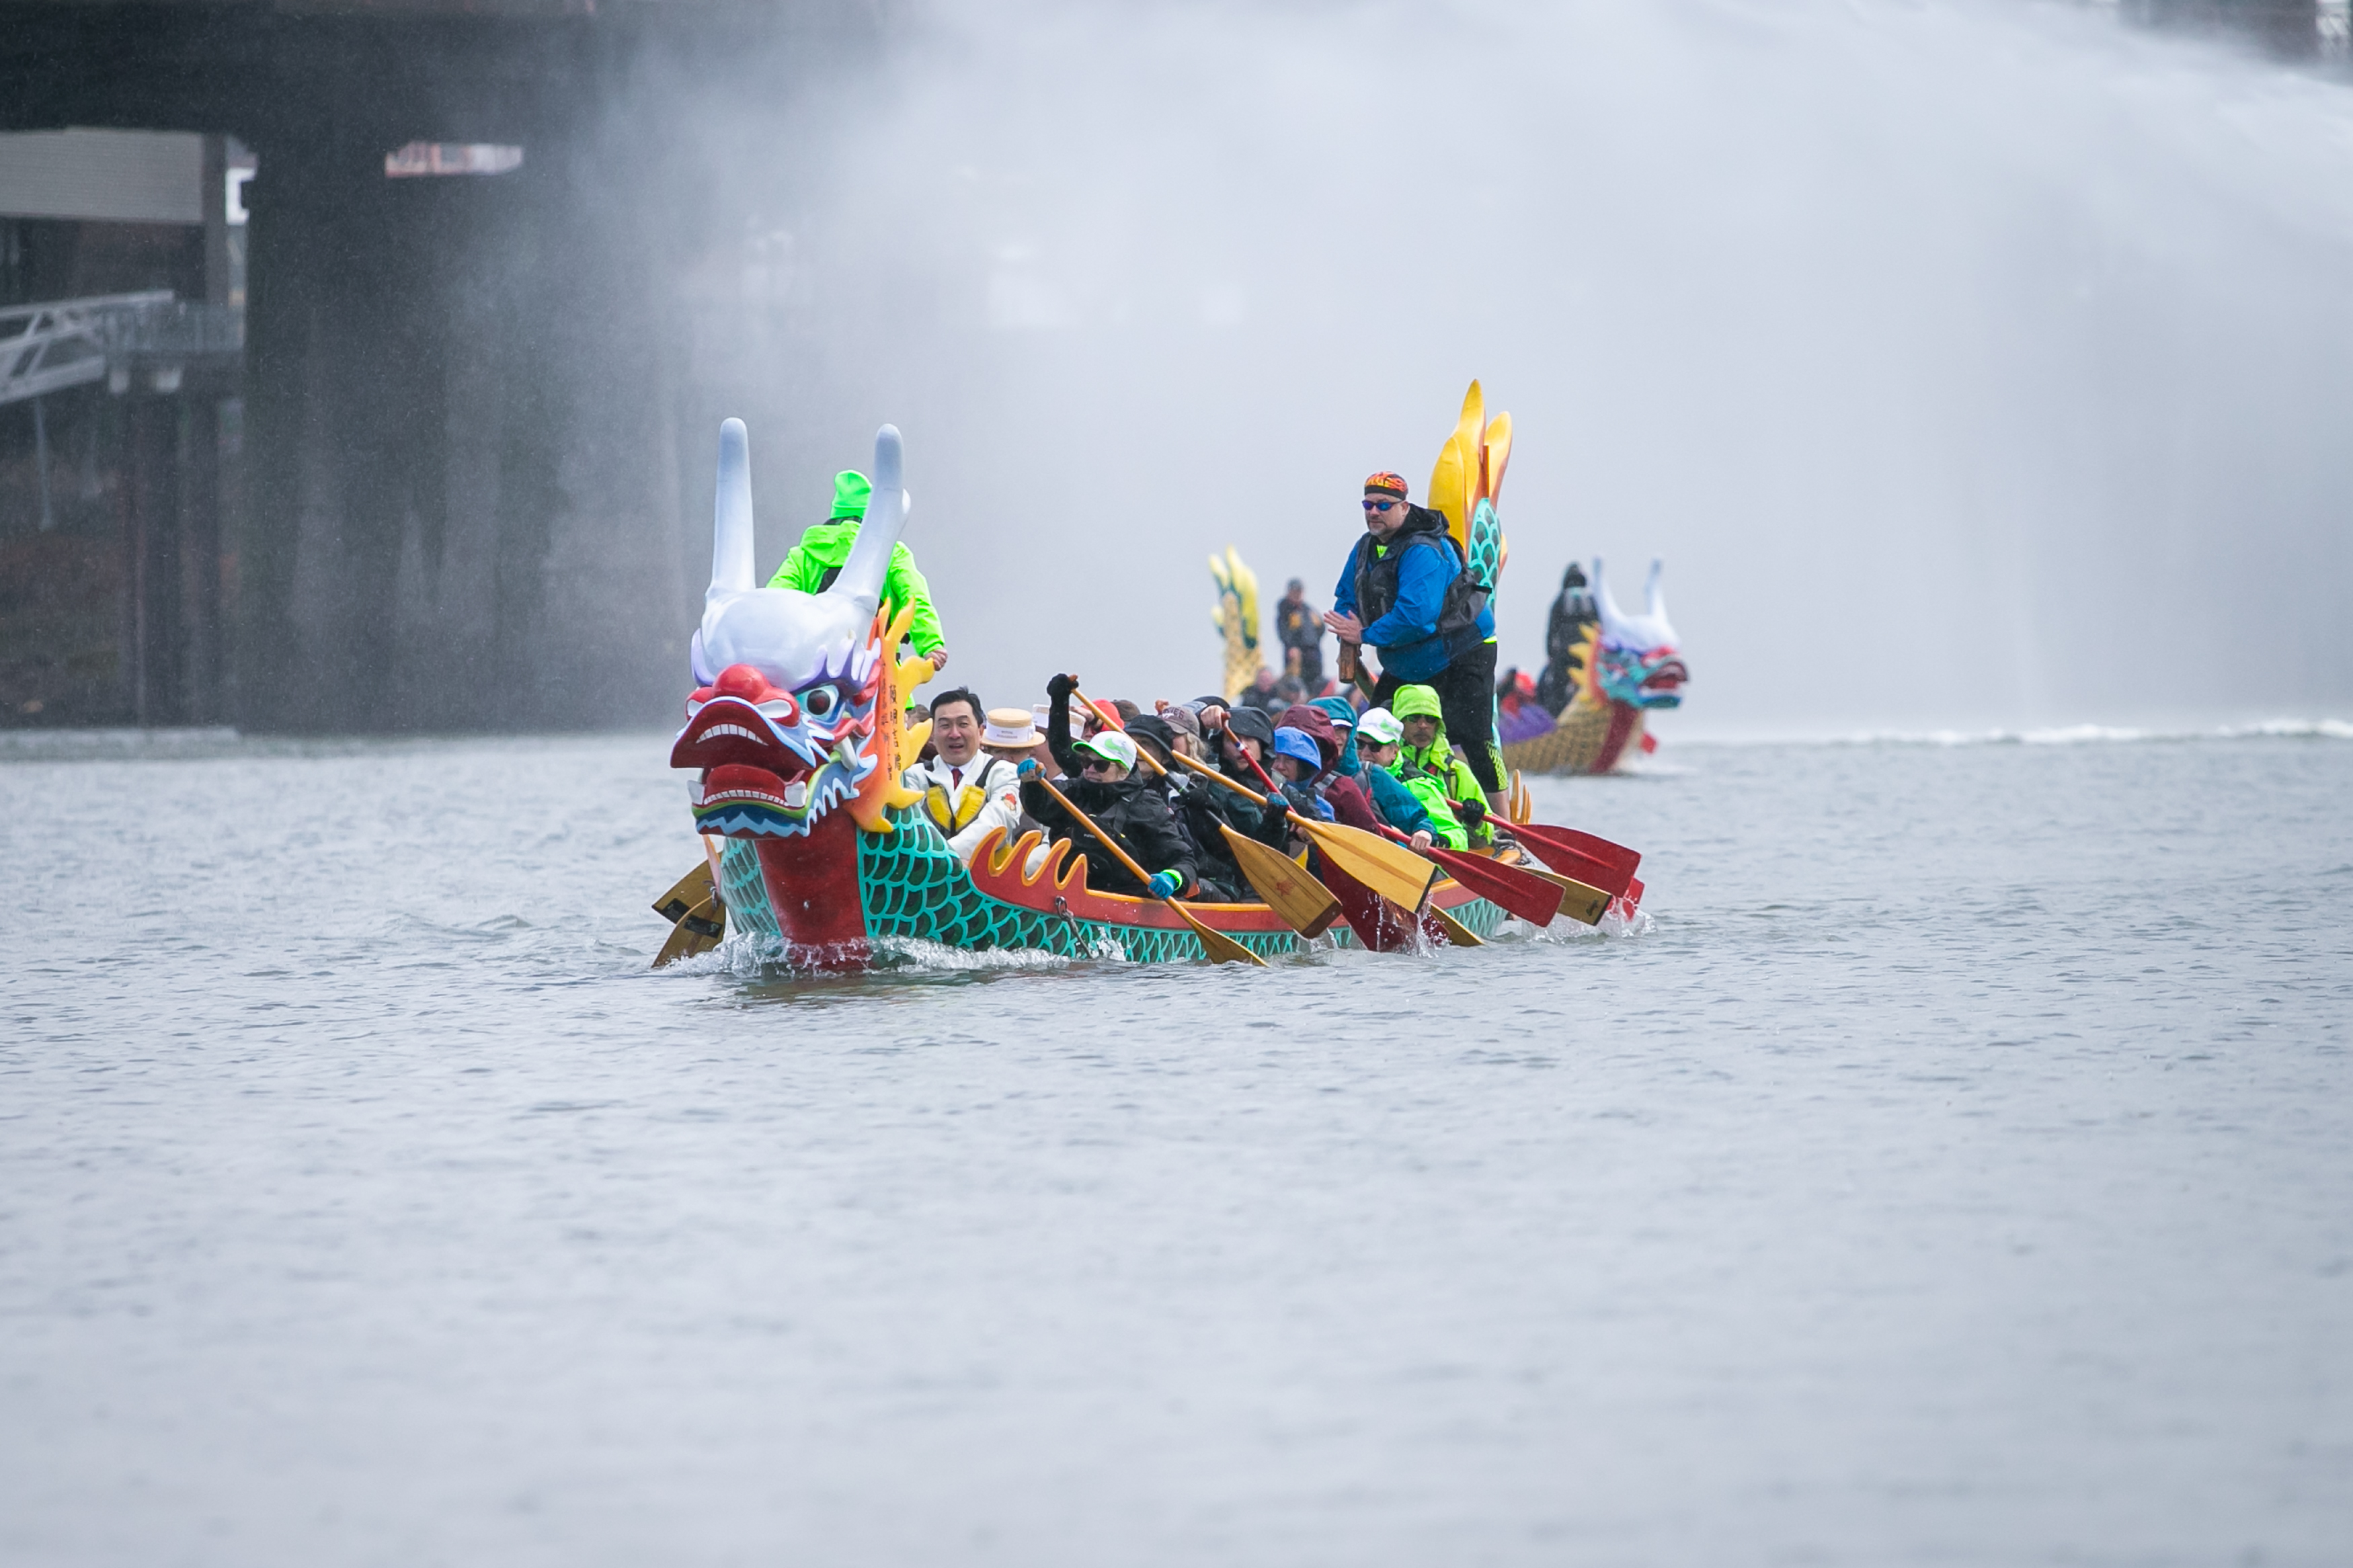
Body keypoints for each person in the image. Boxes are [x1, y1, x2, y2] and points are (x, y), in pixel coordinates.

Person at [1321, 470, 1505, 811]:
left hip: (1463, 650)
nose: (1374, 512)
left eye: (1384, 505)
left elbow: (1417, 618)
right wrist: (1349, 633)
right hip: (1411, 657)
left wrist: (1363, 635)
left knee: (1474, 736)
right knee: (1374, 727)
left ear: (1404, 509)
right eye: (1368, 505)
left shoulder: (1423, 550)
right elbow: (1346, 596)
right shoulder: (1365, 548)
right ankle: (1368, 808)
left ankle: (1509, 830)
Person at [768, 468, 949, 679]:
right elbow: (915, 598)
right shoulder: (892, 552)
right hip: (878, 680)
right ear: (874, 516)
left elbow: (775, 603)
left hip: (815, 683)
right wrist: (931, 644)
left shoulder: (803, 556)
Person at [1016, 727, 1196, 900]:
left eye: (1101, 765)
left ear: (1123, 771)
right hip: (1064, 894)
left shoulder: (1148, 806)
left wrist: (1172, 879)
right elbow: (1040, 808)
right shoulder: (1073, 791)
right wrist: (1032, 784)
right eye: (1086, 762)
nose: (1090, 770)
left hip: (1126, 902)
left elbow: (1183, 859)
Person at [902, 687, 1023, 863]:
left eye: (963, 724)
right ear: (932, 735)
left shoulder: (1003, 772)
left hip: (986, 886)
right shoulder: (914, 776)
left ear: (981, 732)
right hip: (927, 884)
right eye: (944, 725)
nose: (954, 734)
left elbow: (997, 822)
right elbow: (908, 828)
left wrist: (944, 859)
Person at [1390, 682, 1493, 846]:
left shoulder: (1456, 773)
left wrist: (1476, 822)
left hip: (1444, 852)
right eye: (1414, 718)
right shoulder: (1384, 764)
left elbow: (1485, 837)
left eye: (1430, 719)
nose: (1423, 725)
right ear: (1398, 722)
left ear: (1438, 725)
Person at [1355, 706, 1458, 849]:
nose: (1364, 753)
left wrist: (1433, 839)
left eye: (1375, 747)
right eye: (1360, 744)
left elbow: (1456, 834)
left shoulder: (1418, 785)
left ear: (1394, 751)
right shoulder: (1346, 772)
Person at [1536, 561, 1596, 715]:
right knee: (1589, 686)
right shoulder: (1591, 600)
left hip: (1565, 653)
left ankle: (1558, 716)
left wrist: (1551, 655)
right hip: (1588, 654)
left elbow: (1551, 631)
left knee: (1558, 687)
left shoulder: (1560, 601)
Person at [1275, 578, 1326, 694]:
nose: (1297, 594)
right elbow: (1283, 630)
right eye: (1294, 591)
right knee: (1296, 682)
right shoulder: (1285, 610)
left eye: (1299, 591)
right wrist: (1291, 646)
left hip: (1312, 652)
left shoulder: (1308, 610)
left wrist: (1315, 640)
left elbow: (1321, 628)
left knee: (1315, 683)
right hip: (1296, 652)